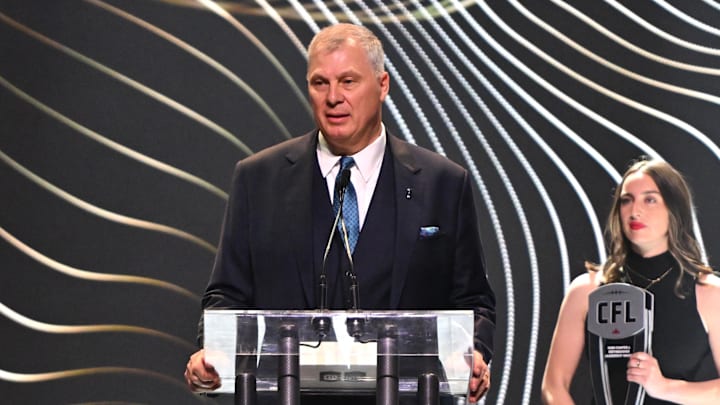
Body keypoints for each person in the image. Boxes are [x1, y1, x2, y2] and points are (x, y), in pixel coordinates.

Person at [184, 23, 496, 403]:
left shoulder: (443, 183)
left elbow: (472, 300)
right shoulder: (258, 179)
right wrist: (212, 355)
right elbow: (226, 295)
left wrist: (474, 354)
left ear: (382, 86)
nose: (333, 97)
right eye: (320, 83)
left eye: (348, 82)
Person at [541, 158, 720, 404]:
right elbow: (554, 385)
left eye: (650, 199)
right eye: (627, 200)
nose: (634, 211)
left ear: (673, 209)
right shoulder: (586, 290)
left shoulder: (709, 293)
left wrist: (665, 388)